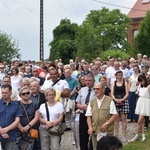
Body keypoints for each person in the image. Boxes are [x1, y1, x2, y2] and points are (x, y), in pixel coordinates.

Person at [86, 82, 118, 150]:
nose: (95, 91)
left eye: (97, 89)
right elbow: (88, 116)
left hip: (107, 132)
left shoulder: (110, 100)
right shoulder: (92, 102)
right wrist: (90, 127)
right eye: (94, 89)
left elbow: (115, 115)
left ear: (103, 89)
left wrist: (107, 124)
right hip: (95, 132)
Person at [76, 74, 96, 150]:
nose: (87, 82)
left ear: (93, 81)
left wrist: (90, 107)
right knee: (83, 136)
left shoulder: (97, 90)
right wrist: (81, 106)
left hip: (93, 115)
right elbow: (77, 103)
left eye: (89, 81)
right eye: (86, 80)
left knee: (93, 135)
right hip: (83, 115)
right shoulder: (82, 90)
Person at [128, 74, 150, 142]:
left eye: (141, 81)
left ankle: (136, 135)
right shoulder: (140, 86)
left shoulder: (149, 86)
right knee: (141, 121)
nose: (141, 82)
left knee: (140, 120)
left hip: (146, 102)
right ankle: (143, 135)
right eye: (140, 81)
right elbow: (137, 93)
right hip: (140, 101)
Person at [0, 84, 22, 150]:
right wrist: (1, 131)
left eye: (6, 93)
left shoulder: (16, 105)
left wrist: (6, 130)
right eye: (2, 93)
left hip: (10, 135)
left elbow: (17, 120)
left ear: (10, 93)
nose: (4, 94)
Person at [111, 71, 129, 142]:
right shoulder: (113, 84)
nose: (120, 76)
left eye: (121, 75)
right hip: (115, 101)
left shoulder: (125, 83)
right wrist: (115, 99)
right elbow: (112, 93)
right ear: (116, 76)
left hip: (123, 101)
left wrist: (122, 99)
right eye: (118, 75)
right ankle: (117, 135)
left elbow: (127, 93)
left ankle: (124, 135)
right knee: (116, 119)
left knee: (123, 119)